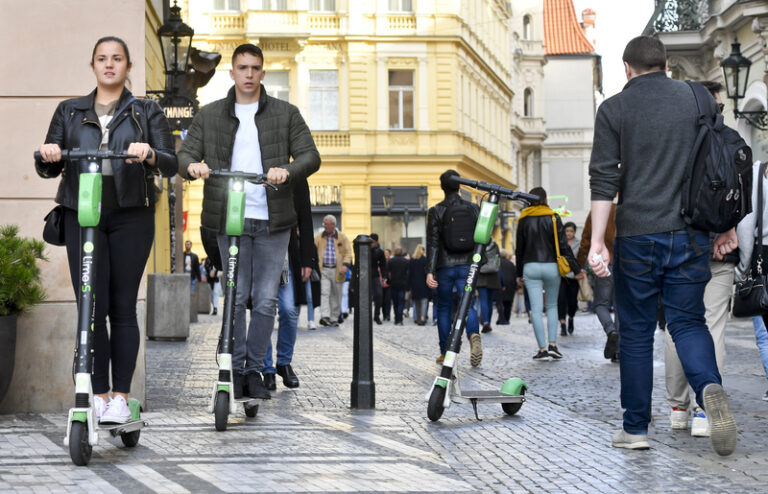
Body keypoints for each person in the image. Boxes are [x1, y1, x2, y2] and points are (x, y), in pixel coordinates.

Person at [587, 36, 738, 455]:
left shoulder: (613, 109)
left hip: (636, 235)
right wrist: (727, 226)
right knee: (688, 322)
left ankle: (635, 429)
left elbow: (603, 179)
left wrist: (599, 241)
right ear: (666, 64)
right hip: (690, 233)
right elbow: (722, 163)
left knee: (635, 333)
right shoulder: (696, 99)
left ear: (626, 68)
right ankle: (708, 388)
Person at [35, 36, 177, 423]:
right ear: (93, 65)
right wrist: (48, 154)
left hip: (131, 214)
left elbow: (170, 162)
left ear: (129, 67)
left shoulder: (146, 110)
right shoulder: (69, 111)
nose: (109, 64)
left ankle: (120, 396)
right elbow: (49, 163)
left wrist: (149, 153)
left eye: (117, 59)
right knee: (90, 307)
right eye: (102, 58)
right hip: (84, 214)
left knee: (123, 307)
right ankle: (97, 395)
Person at [179, 43, 321, 400]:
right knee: (235, 296)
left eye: (255, 68)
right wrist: (192, 166)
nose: (248, 74)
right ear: (232, 72)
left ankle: (256, 368)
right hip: (230, 219)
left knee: (265, 301)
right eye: (242, 68)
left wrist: (286, 171)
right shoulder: (210, 115)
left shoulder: (285, 113)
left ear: (262, 72)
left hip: (273, 220)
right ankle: (235, 367)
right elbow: (184, 155)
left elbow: (310, 156)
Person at [664, 80, 742, 437]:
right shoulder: (732, 141)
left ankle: (678, 408)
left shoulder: (675, 139)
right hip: (721, 248)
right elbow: (744, 203)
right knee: (712, 328)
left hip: (679, 246)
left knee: (676, 327)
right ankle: (702, 411)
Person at [515, 187, 581, 360]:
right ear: (545, 199)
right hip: (551, 266)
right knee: (552, 306)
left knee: (536, 309)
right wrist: (576, 268)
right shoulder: (553, 217)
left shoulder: (523, 219)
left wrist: (519, 273)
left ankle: (542, 348)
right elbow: (564, 245)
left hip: (530, 266)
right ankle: (553, 345)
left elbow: (519, 249)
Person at [425, 170, 483, 366]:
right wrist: (477, 262)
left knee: (443, 307)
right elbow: (482, 238)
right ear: (459, 186)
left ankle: (445, 352)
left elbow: (432, 243)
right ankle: (473, 334)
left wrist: (430, 270)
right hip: (467, 264)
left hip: (444, 266)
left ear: (442, 187)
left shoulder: (436, 211)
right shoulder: (473, 208)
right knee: (468, 305)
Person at [263, 177, 315, 390]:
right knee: (262, 310)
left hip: (287, 255)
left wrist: (307, 259)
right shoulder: (255, 167)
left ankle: (284, 363)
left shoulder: (295, 176)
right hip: (260, 254)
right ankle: (265, 368)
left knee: (289, 310)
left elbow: (305, 217)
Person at [577, 204, 620, 362]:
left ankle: (610, 331)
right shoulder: (625, 207)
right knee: (620, 306)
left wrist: (580, 263)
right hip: (624, 263)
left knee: (601, 304)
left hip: (604, 263)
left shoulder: (597, 211)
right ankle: (619, 350)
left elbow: (586, 239)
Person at [314, 214, 352, 327]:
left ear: (333, 225)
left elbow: (348, 253)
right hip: (324, 269)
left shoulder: (342, 237)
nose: (324, 226)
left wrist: (345, 265)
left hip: (338, 270)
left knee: (336, 294)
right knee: (324, 293)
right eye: (324, 224)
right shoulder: (319, 237)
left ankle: (334, 317)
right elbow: (313, 250)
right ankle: (325, 316)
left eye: (326, 224)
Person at [557, 222, 581, 336]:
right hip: (561, 276)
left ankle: (571, 318)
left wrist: (581, 270)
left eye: (571, 231)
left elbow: (582, 258)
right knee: (561, 301)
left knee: (572, 302)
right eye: (567, 231)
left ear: (574, 232)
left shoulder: (579, 243)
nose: (569, 233)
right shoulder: (559, 243)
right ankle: (562, 324)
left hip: (574, 276)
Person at [477, 239, 501, 333]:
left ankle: (485, 322)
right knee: (490, 301)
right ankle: (489, 323)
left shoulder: (478, 244)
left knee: (483, 300)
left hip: (481, 275)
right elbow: (498, 258)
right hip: (493, 276)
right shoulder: (494, 245)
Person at [408, 244, 430, 325]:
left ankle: (417, 318)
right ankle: (423, 317)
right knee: (424, 302)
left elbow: (409, 274)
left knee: (416, 303)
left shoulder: (412, 260)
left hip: (414, 285)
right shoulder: (425, 260)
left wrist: (409, 286)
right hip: (424, 284)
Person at [387, 247, 409, 325]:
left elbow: (388, 273)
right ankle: (400, 319)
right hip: (402, 284)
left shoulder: (391, 261)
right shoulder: (406, 261)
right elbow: (408, 274)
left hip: (393, 284)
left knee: (395, 303)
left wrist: (389, 281)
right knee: (401, 302)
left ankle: (396, 319)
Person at [495, 250, 516, 325]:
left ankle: (501, 319)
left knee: (500, 303)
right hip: (510, 286)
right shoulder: (511, 264)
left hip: (500, 285)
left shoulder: (498, 263)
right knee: (508, 304)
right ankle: (507, 319)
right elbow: (514, 275)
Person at [370, 233, 387, 325]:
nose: (372, 244)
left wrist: (384, 276)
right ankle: (367, 315)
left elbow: (383, 264)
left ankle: (376, 315)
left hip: (375, 275)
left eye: (373, 242)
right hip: (365, 275)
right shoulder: (365, 249)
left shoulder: (379, 251)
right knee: (366, 296)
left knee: (379, 295)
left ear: (376, 242)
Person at [382, 248, 393, 322]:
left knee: (388, 300)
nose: (386, 255)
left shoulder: (391, 262)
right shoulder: (381, 262)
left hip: (389, 284)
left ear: (389, 254)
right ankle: (384, 315)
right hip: (381, 283)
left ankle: (388, 315)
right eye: (385, 253)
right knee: (382, 300)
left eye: (387, 253)